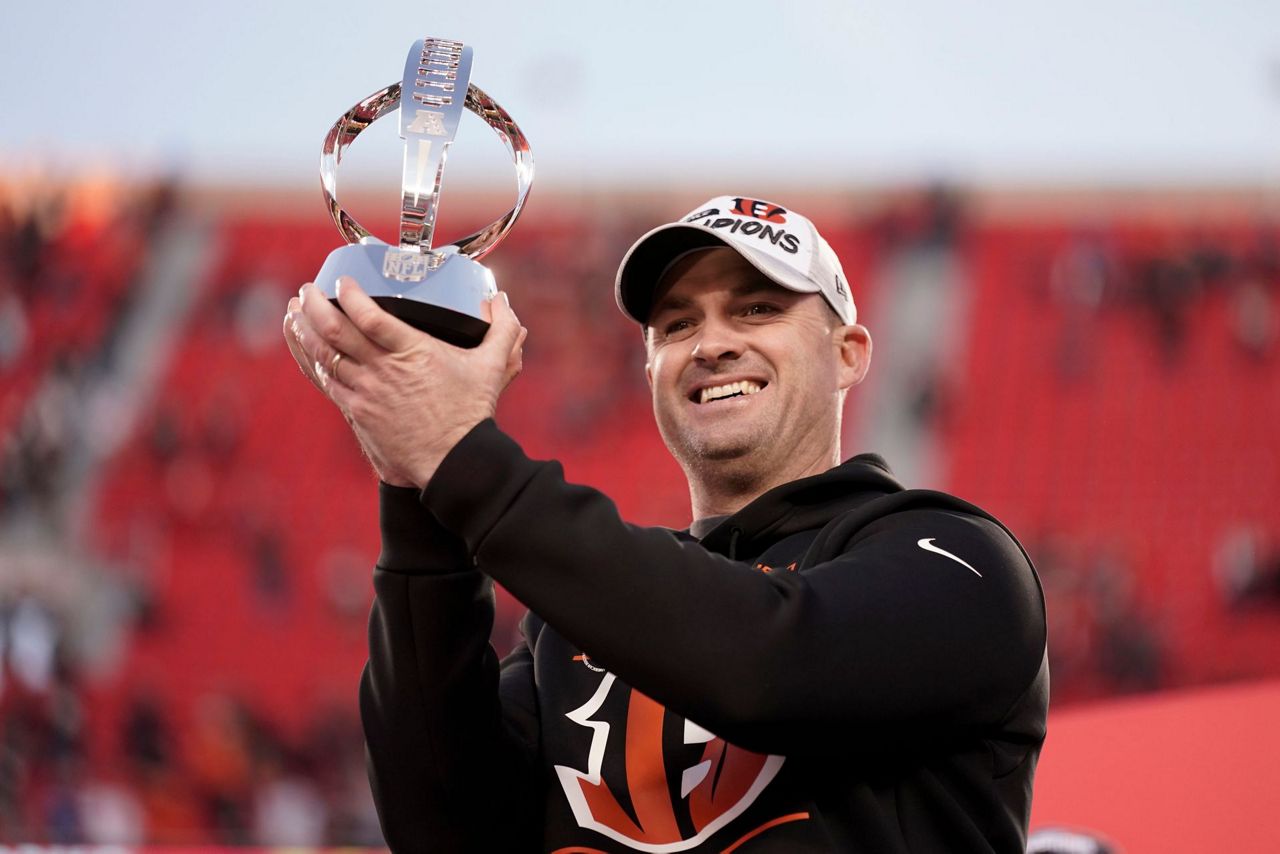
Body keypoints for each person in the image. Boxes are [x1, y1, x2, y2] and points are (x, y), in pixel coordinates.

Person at [283, 195, 1048, 853]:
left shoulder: (959, 560)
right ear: (649, 369)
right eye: (676, 324)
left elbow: (762, 666)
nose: (711, 343)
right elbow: (444, 831)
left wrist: (458, 456)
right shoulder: (569, 635)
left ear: (848, 354)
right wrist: (412, 483)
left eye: (757, 308)